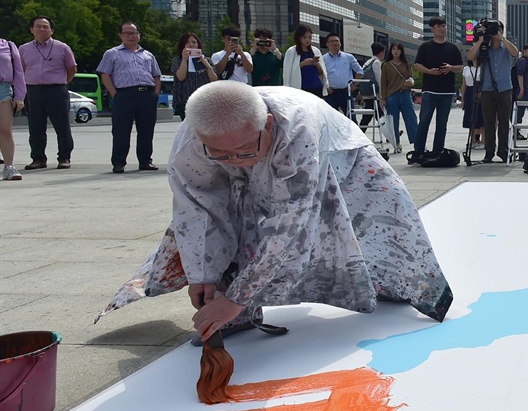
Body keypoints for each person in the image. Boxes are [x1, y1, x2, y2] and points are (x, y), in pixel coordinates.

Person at [99, 82, 453, 337]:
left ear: (267, 125)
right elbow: (196, 212)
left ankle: (391, 283)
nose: (234, 161)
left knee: (381, 220)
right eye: (219, 154)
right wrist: (202, 274)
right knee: (233, 215)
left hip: (339, 155)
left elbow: (292, 225)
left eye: (242, 150)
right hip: (264, 150)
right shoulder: (190, 143)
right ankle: (227, 311)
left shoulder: (296, 129)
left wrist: (239, 297)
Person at [98, 22, 163, 173]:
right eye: (126, 33)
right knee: (121, 130)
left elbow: (156, 75)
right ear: (120, 35)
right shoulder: (112, 53)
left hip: (147, 94)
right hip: (124, 94)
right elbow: (105, 74)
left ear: (139, 35)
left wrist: (155, 95)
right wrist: (115, 93)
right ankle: (119, 162)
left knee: (147, 130)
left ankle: (145, 160)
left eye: (133, 33)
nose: (130, 36)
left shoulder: (148, 55)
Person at [18, 16, 76, 170]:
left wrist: (62, 82)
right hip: (33, 91)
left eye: (45, 26)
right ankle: (38, 158)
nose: (42, 29)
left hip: (56, 90)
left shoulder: (62, 47)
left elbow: (71, 69)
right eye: (38, 26)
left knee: (62, 126)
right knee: (35, 127)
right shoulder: (23, 49)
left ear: (52, 30)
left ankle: (64, 157)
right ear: (31, 29)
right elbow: (21, 70)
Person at [412, 17, 463, 161]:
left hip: (447, 91)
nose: (442, 28)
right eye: (439, 26)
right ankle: (418, 150)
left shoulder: (452, 48)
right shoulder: (425, 47)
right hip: (430, 90)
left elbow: (460, 67)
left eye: (444, 26)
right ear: (432, 28)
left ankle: (438, 150)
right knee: (424, 121)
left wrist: (450, 68)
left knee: (442, 123)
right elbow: (417, 65)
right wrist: (429, 71)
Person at [467, 21, 518, 163]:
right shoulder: (484, 47)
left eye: (497, 29)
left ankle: (503, 151)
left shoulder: (505, 47)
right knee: (488, 121)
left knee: (504, 121)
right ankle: (489, 151)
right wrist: (481, 39)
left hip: (505, 88)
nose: (495, 32)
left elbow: (515, 53)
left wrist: (501, 37)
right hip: (487, 88)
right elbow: (471, 57)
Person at [170, 31, 218, 120]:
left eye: (194, 42)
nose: (191, 45)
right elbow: (181, 77)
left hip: (204, 100)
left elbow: (214, 80)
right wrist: (184, 60)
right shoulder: (177, 60)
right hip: (184, 100)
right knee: (189, 128)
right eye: (187, 43)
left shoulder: (207, 60)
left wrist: (207, 66)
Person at [381, 42, 417, 154]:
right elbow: (383, 82)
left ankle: (417, 143)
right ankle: (396, 143)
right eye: (393, 49)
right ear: (390, 51)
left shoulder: (407, 64)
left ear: (401, 51)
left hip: (405, 94)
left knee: (411, 119)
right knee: (393, 121)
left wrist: (411, 82)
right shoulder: (386, 65)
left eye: (398, 49)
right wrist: (383, 98)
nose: (395, 51)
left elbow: (410, 78)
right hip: (392, 95)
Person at [0, 33, 26, 182]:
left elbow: (19, 72)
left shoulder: (8, 45)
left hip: (3, 89)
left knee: (5, 131)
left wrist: (20, 96)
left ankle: (9, 167)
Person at [283, 24, 328, 97]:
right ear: (299, 37)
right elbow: (287, 72)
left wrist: (317, 64)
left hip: (316, 86)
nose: (307, 40)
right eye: (305, 37)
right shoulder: (292, 51)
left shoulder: (315, 51)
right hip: (301, 88)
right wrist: (302, 64)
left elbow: (321, 73)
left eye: (310, 37)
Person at [320, 33, 360, 114]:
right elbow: (320, 75)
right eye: (331, 41)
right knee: (331, 119)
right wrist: (325, 87)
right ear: (327, 44)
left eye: (336, 41)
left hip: (346, 93)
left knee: (351, 119)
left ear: (340, 43)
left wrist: (354, 85)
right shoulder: (323, 59)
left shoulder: (348, 57)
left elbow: (359, 70)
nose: (334, 43)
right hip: (331, 93)